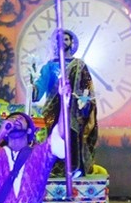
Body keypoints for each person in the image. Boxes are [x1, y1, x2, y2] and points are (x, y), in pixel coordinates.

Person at [36, 30, 98, 176]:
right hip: (53, 110)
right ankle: (53, 170)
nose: (63, 42)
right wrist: (33, 88)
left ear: (71, 42)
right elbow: (39, 88)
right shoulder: (49, 66)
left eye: (66, 39)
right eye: (59, 39)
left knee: (73, 137)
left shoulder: (80, 65)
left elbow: (87, 87)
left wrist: (84, 102)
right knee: (54, 137)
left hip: (74, 110)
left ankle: (75, 170)